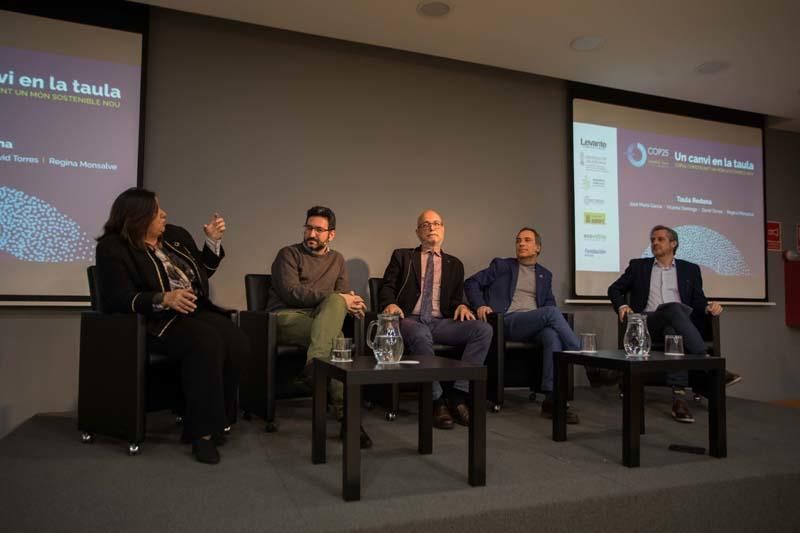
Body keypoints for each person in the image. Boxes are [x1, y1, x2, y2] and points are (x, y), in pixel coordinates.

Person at [95, 187, 248, 464]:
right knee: (206, 342)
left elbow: (200, 274)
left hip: (192, 311)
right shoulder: (113, 248)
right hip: (154, 320)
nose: (164, 214)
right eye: (156, 211)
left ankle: (220, 418)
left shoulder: (175, 236)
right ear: (137, 217)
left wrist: (211, 244)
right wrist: (163, 299)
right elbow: (116, 298)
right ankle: (201, 434)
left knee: (236, 339)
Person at [608, 225, 740, 424]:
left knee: (674, 329)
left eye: (660, 239)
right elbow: (614, 289)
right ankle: (707, 362)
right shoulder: (639, 266)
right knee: (673, 309)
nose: (654, 243)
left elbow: (697, 301)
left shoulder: (690, 269)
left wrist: (709, 307)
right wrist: (623, 306)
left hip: (678, 324)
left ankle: (679, 400)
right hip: (648, 322)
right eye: (652, 239)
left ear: (673, 244)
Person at [266, 206, 372, 448]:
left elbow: (343, 295)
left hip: (322, 321)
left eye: (318, 229)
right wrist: (340, 299)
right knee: (336, 330)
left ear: (331, 234)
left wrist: (350, 302)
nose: (311, 234)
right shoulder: (288, 254)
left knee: (334, 333)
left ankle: (316, 367)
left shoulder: (337, 260)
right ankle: (349, 420)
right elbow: (292, 293)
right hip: (284, 318)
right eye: (308, 228)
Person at [378, 210, 492, 429]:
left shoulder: (455, 264)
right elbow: (387, 287)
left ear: (443, 229)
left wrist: (460, 305)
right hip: (409, 319)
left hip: (440, 322)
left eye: (436, 223)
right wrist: (389, 304)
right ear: (418, 232)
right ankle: (436, 400)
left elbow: (456, 299)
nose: (432, 227)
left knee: (483, 330)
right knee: (421, 333)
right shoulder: (403, 256)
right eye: (426, 224)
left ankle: (459, 395)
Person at [465, 227, 581, 423]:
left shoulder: (545, 275)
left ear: (538, 248)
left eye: (527, 240)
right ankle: (581, 355)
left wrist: (547, 317)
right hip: (506, 322)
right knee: (552, 314)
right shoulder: (502, 266)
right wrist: (480, 305)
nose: (521, 244)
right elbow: (471, 283)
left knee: (552, 336)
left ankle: (551, 402)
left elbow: (548, 304)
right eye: (518, 240)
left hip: (532, 325)